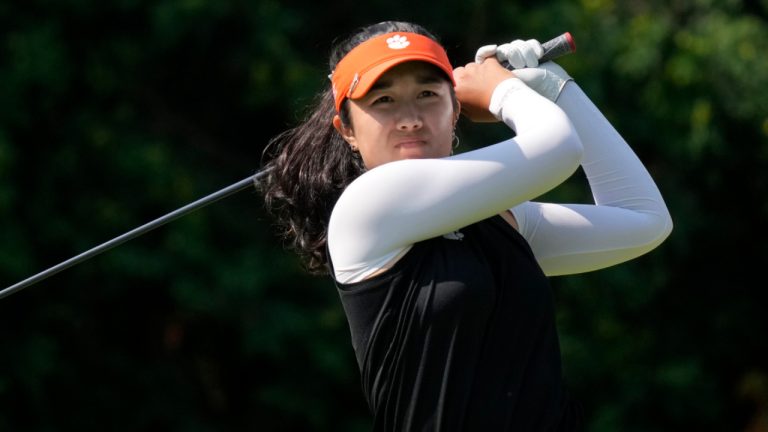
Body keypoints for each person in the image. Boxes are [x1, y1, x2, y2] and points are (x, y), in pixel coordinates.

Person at [261, 20, 672, 431]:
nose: (410, 119)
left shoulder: (500, 221)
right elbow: (558, 148)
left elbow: (644, 220)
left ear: (456, 109)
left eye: (427, 94)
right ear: (346, 130)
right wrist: (502, 91)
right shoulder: (366, 206)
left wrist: (555, 88)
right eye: (384, 100)